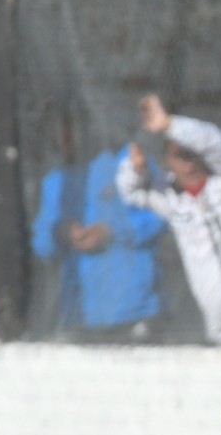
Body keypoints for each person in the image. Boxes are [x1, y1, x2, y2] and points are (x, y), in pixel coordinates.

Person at [31, 108, 166, 342]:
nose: (66, 139)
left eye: (71, 131)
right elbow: (40, 243)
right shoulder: (56, 182)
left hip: (135, 310)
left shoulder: (128, 163)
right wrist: (62, 233)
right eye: (58, 133)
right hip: (80, 314)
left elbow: (162, 217)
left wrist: (111, 232)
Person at [116, 95, 221, 346]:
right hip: (217, 321)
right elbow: (130, 191)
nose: (188, 163)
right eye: (179, 156)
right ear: (168, 162)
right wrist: (136, 168)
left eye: (191, 154)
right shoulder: (169, 199)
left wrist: (171, 126)